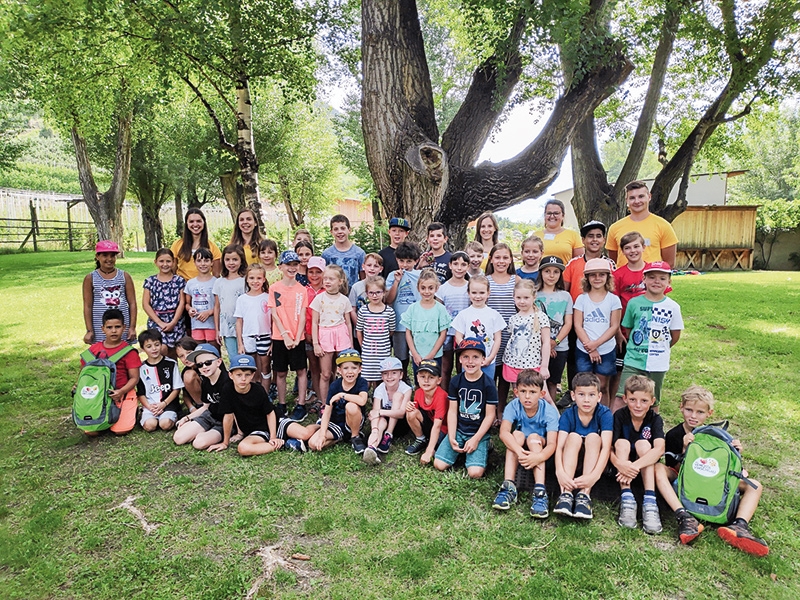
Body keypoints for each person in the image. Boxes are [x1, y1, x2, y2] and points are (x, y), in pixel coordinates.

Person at [655, 385, 769, 556]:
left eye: (700, 412)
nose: (693, 416)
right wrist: (686, 450)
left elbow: (722, 467)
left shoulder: (715, 435)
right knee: (658, 468)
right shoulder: (674, 435)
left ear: (709, 413)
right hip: (685, 479)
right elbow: (677, 469)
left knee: (755, 485)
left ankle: (740, 525)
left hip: (712, 479)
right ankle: (685, 517)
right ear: (681, 408)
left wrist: (736, 454)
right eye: (689, 410)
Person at [615, 261, 683, 411]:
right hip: (634, 360)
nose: (656, 281)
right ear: (644, 279)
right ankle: (614, 426)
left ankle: (652, 426)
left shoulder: (673, 307)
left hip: (658, 361)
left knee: (653, 400)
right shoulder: (634, 303)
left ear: (669, 282)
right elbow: (628, 328)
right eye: (652, 277)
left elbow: (675, 334)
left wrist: (660, 346)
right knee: (621, 396)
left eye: (662, 278)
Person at [491, 370, 559, 518]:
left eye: (532, 392)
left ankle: (540, 491)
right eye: (523, 391)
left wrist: (539, 457)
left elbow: (552, 443)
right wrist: (519, 451)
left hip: (539, 444)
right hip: (521, 445)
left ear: (542, 394)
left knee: (533, 438)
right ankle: (508, 486)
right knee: (516, 435)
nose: (527, 396)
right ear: (516, 392)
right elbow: (504, 433)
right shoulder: (513, 406)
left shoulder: (549, 412)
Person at [281, 349, 369, 453]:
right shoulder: (335, 385)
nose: (350, 372)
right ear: (339, 370)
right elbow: (327, 411)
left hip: (353, 421)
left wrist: (342, 395)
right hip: (336, 422)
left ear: (360, 369)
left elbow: (362, 400)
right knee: (313, 444)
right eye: (345, 368)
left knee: (351, 406)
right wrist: (322, 435)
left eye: (354, 368)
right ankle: (341, 437)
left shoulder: (361, 382)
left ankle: (355, 437)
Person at [434, 338, 498, 478]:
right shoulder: (455, 381)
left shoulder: (489, 384)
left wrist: (476, 439)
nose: (470, 361)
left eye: (475, 357)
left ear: (483, 359)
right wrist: (452, 436)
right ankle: (459, 448)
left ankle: (485, 444)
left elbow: (490, 415)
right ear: (460, 359)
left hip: (478, 432)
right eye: (465, 357)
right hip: (459, 430)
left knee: (475, 473)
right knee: (439, 464)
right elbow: (452, 411)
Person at [553, 372, 613, 519]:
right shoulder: (568, 414)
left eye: (591, 395)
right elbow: (559, 446)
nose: (586, 400)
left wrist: (594, 476)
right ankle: (565, 494)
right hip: (572, 459)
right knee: (573, 437)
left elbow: (606, 448)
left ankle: (584, 495)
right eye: (581, 394)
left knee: (593, 437)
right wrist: (559, 472)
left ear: (599, 397)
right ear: (573, 396)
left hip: (594, 462)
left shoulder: (604, 414)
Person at [611, 375, 665, 534]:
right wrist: (620, 464)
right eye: (633, 400)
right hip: (622, 464)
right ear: (625, 398)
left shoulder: (655, 419)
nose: (638, 405)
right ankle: (627, 498)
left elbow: (659, 449)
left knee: (644, 444)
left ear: (652, 401)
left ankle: (650, 502)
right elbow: (608, 448)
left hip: (642, 465)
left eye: (644, 401)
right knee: (621, 443)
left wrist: (632, 467)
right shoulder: (619, 416)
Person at [78, 308, 141, 436]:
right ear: (103, 329)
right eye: (109, 327)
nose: (113, 331)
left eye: (117, 327)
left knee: (120, 430)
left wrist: (121, 391)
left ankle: (130, 410)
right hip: (98, 394)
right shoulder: (93, 350)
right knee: (91, 431)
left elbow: (134, 378)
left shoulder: (129, 352)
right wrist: (78, 386)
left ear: (124, 328)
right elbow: (83, 374)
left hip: (122, 393)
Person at [208, 354, 286, 456]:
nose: (243, 379)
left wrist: (273, 437)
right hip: (258, 430)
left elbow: (270, 412)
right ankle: (287, 444)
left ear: (253, 375)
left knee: (304, 434)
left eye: (247, 375)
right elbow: (228, 416)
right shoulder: (227, 389)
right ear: (230, 375)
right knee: (243, 448)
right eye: (239, 375)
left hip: (276, 421)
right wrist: (225, 443)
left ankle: (290, 438)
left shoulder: (258, 389)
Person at [573, 258, 621, 406]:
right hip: (584, 349)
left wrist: (596, 345)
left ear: (608, 277)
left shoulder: (613, 300)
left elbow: (614, 326)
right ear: (587, 278)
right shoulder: (582, 299)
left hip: (606, 349)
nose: (597, 278)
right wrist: (590, 347)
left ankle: (603, 413)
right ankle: (584, 412)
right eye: (593, 275)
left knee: (602, 386)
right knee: (584, 385)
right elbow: (578, 325)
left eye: (602, 274)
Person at [268, 250, 309, 421]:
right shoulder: (274, 288)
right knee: (281, 372)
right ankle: (282, 404)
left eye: (295, 264)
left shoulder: (302, 290)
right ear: (280, 267)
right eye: (288, 265)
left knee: (301, 370)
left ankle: (301, 404)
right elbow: (275, 314)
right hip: (280, 337)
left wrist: (297, 337)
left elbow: (302, 315)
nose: (292, 268)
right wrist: (285, 335)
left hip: (298, 338)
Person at [173, 344, 234, 449]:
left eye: (208, 362)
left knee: (199, 443)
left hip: (224, 422)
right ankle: (202, 431)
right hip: (210, 416)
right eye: (200, 365)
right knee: (178, 438)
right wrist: (187, 418)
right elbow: (206, 406)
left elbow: (232, 414)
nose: (204, 367)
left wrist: (228, 441)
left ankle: (207, 433)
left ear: (218, 362)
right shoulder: (206, 380)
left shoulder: (227, 383)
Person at [606, 180, 679, 268]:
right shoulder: (615, 228)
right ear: (626, 200)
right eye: (632, 198)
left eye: (641, 196)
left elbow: (669, 263)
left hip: (652, 276)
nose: (637, 201)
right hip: (624, 277)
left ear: (649, 197)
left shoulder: (664, 226)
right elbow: (614, 261)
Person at [312, 264, 355, 407]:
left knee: (344, 371)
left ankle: (345, 402)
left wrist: (350, 343)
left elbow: (348, 323)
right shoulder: (319, 299)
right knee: (326, 373)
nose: (327, 281)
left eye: (331, 279)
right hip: (325, 334)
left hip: (341, 334)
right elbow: (314, 323)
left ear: (340, 281)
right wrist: (316, 343)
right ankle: (325, 405)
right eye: (325, 279)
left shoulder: (344, 299)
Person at [502, 278, 551, 397]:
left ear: (534, 297)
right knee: (518, 395)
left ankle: (553, 411)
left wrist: (544, 366)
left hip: (532, 365)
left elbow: (546, 342)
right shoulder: (513, 318)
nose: (522, 301)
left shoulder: (541, 317)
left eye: (526, 298)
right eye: (518, 298)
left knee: (543, 396)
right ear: (513, 297)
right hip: (513, 364)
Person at [83, 240, 137, 344]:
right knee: (102, 352)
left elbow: (132, 303)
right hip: (100, 326)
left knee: (123, 351)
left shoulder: (124, 276)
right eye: (105, 255)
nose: (109, 259)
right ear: (97, 256)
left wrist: (132, 327)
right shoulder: (90, 278)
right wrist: (89, 330)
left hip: (121, 326)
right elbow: (87, 306)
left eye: (112, 256)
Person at [451, 275, 505, 380]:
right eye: (474, 292)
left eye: (482, 293)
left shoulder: (494, 315)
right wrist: (468, 350)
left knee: (487, 384)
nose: (478, 296)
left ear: (488, 293)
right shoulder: (463, 314)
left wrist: (490, 358)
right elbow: (458, 336)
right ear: (468, 293)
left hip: (487, 361)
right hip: (469, 362)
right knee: (469, 383)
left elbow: (497, 338)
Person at [401, 269, 452, 380]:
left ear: (436, 288)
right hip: (417, 356)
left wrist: (431, 355)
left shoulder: (440, 309)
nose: (427, 292)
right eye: (423, 288)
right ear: (418, 288)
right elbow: (408, 333)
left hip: (435, 355)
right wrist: (414, 353)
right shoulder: (413, 308)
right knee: (419, 380)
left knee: (433, 380)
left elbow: (443, 334)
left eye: (430, 288)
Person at [536, 256, 573, 403]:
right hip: (537, 345)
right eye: (547, 271)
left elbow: (568, 323)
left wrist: (554, 342)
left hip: (560, 346)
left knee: (552, 381)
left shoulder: (566, 296)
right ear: (541, 273)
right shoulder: (534, 295)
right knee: (537, 380)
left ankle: (550, 408)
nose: (551, 275)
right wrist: (545, 344)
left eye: (556, 272)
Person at [363, 356, 413, 465]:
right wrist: (374, 430)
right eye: (385, 373)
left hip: (400, 424)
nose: (389, 377)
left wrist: (380, 412)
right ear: (382, 376)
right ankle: (372, 448)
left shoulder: (406, 389)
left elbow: (401, 413)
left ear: (401, 375)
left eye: (394, 373)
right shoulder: (379, 389)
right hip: (384, 423)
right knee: (380, 421)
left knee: (397, 396)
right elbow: (375, 412)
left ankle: (388, 435)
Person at [486, 243, 517, 414]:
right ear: (491, 259)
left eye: (505, 257)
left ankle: (501, 409)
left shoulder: (516, 280)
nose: (501, 261)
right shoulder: (486, 281)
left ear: (511, 259)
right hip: (490, 335)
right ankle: (489, 409)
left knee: (504, 373)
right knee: (491, 371)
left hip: (510, 334)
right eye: (497, 257)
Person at [385, 241, 423, 377]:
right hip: (399, 324)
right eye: (401, 261)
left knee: (418, 356)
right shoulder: (392, 275)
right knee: (401, 357)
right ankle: (403, 379)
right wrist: (396, 281)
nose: (405, 265)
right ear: (397, 260)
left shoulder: (421, 275)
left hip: (418, 323)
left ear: (416, 261)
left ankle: (419, 381)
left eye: (409, 261)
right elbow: (389, 299)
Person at [234, 264, 272, 395]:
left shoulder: (268, 297)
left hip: (265, 336)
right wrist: (240, 343)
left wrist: (273, 341)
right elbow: (239, 322)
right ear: (247, 279)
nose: (255, 281)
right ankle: (254, 394)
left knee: (265, 367)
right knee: (251, 368)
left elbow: (273, 320)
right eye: (251, 278)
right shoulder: (242, 299)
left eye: (259, 278)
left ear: (264, 279)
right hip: (248, 337)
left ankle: (265, 395)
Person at [435, 251, 470, 391]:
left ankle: (462, 394)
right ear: (450, 265)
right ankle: (444, 395)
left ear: (468, 267)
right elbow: (439, 311)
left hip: (465, 333)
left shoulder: (470, 287)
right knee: (446, 367)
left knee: (463, 366)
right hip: (447, 333)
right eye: (455, 264)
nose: (459, 268)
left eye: (463, 264)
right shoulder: (442, 289)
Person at [136, 328, 183, 432]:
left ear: (161, 344)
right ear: (143, 348)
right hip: (150, 406)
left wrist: (163, 404)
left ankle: (173, 416)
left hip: (168, 404)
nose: (154, 349)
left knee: (165, 424)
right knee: (150, 426)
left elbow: (176, 389)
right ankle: (148, 416)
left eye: (157, 345)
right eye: (149, 346)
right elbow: (141, 393)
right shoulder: (141, 368)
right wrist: (149, 407)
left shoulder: (171, 364)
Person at [142, 248, 186, 358]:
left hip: (176, 321)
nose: (165, 264)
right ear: (155, 262)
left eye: (168, 261)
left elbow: (182, 302)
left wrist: (173, 322)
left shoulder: (179, 281)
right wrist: (159, 322)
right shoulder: (150, 281)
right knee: (161, 349)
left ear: (173, 262)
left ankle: (173, 368)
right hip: (157, 321)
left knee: (175, 351)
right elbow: (145, 304)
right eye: (161, 261)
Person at [405, 359, 449, 463]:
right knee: (411, 412)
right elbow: (415, 411)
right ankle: (421, 439)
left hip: (443, 429)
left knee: (438, 447)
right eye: (422, 377)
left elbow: (437, 425)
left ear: (439, 380)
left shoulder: (441, 396)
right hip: (430, 424)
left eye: (431, 377)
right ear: (417, 378)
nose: (426, 381)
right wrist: (408, 406)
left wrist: (429, 451)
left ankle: (432, 447)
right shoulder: (418, 392)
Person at [356, 275, 396, 386]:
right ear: (367, 293)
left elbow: (391, 331)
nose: (375, 296)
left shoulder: (389, 312)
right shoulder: (363, 311)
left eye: (378, 292)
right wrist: (363, 345)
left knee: (381, 377)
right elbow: (359, 330)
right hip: (368, 352)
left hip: (383, 351)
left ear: (384, 292)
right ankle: (364, 395)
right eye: (371, 293)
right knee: (366, 379)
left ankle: (378, 395)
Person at [213, 244, 247, 359]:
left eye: (235, 259)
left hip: (244, 327)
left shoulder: (246, 281)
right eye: (227, 259)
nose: (231, 263)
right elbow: (217, 306)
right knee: (234, 358)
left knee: (246, 358)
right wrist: (217, 329)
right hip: (227, 328)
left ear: (241, 261)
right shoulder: (219, 282)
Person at [171, 208, 221, 280]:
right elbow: (172, 271)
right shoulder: (177, 244)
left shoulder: (212, 247)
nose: (195, 224)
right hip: (182, 285)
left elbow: (216, 275)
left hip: (204, 285)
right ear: (187, 223)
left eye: (198, 221)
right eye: (191, 221)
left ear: (204, 222)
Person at [184, 248, 218, 350]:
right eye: (199, 261)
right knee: (199, 351)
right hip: (196, 324)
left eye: (206, 260)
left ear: (212, 262)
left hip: (212, 325)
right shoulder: (190, 283)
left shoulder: (216, 282)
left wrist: (209, 312)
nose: (203, 264)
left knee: (214, 351)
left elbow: (220, 304)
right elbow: (187, 304)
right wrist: (190, 309)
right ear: (194, 262)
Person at [304, 257, 326, 405]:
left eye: (318, 272)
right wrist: (306, 333)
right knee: (314, 368)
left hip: (326, 335)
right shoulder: (304, 291)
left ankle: (329, 396)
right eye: (311, 272)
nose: (314, 275)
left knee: (327, 370)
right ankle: (319, 398)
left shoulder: (328, 291)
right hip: (309, 335)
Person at [321, 214, 366, 287]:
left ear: (349, 230)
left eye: (343, 228)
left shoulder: (359, 253)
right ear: (331, 232)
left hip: (352, 293)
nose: (339, 232)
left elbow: (363, 279)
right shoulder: (327, 254)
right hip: (333, 293)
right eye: (336, 229)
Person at [535, 199, 583, 264]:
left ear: (562, 215)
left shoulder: (573, 235)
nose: (552, 216)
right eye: (549, 213)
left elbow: (579, 262)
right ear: (545, 215)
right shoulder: (535, 236)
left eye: (556, 213)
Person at [175, 336, 201, 411]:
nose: (186, 358)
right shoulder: (186, 372)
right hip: (201, 404)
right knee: (188, 375)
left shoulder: (207, 366)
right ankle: (200, 406)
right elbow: (185, 395)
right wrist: (191, 408)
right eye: (181, 356)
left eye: (189, 353)